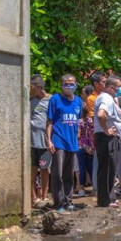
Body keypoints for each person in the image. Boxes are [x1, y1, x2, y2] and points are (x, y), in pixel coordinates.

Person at [46, 74, 83, 213]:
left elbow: (78, 121)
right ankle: (58, 203)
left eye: (71, 83)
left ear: (75, 85)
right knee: (57, 173)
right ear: (61, 85)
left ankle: (68, 201)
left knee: (69, 173)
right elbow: (49, 121)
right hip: (58, 140)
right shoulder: (55, 99)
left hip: (72, 143)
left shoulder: (78, 101)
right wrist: (49, 140)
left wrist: (78, 135)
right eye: (66, 84)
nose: (68, 86)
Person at [94, 77, 121, 208]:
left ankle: (110, 197)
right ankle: (104, 200)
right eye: (119, 87)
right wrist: (106, 131)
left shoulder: (108, 98)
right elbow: (101, 114)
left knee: (111, 168)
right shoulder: (106, 98)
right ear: (111, 88)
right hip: (106, 138)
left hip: (108, 138)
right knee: (106, 169)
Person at [29, 75, 52, 208]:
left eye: (31, 87)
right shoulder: (30, 100)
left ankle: (44, 197)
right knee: (32, 170)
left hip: (44, 142)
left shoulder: (51, 100)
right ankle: (33, 198)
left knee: (44, 169)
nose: (29, 89)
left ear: (38, 87)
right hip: (32, 142)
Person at [77, 85, 96, 196]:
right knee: (91, 167)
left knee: (81, 167)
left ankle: (81, 189)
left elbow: (78, 135)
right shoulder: (92, 121)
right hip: (91, 146)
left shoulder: (80, 121)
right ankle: (94, 187)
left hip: (81, 146)